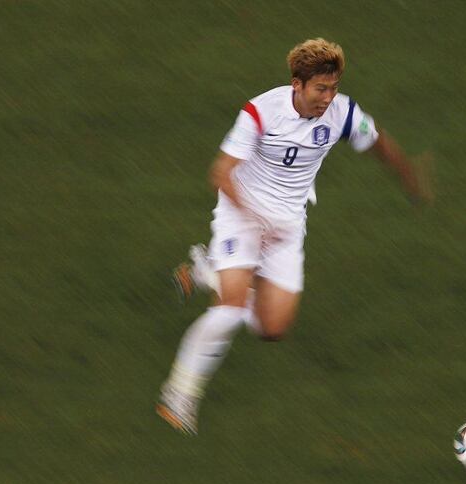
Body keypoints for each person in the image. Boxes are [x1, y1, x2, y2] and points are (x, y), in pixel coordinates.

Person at [156, 38, 432, 435]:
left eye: (333, 87)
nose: (328, 97)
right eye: (320, 88)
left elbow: (379, 144)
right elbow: (220, 172)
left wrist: (408, 176)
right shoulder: (260, 112)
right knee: (231, 311)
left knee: (273, 329)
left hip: (287, 224)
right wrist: (252, 220)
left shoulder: (342, 113)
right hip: (241, 213)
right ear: (296, 84)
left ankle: (208, 270)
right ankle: (180, 394)